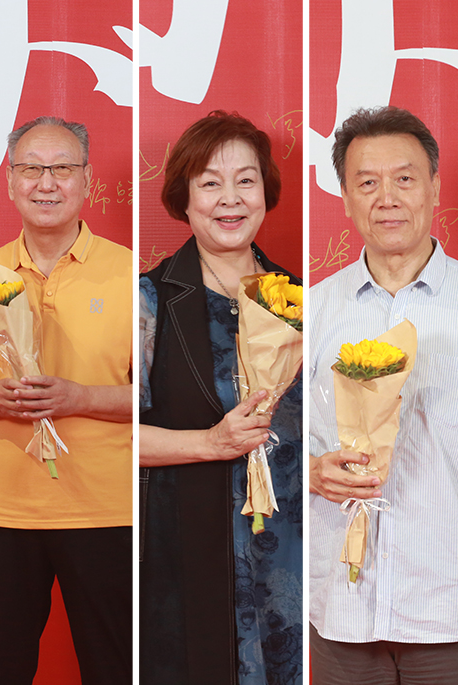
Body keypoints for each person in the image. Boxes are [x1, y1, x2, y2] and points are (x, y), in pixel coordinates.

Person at [307, 106, 458, 684]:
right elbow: (273, 434)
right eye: (367, 183)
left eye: (405, 179)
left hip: (446, 601)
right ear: (345, 199)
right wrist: (311, 471)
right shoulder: (311, 309)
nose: (387, 199)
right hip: (340, 599)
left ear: (435, 187)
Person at [139, 111, 302, 685]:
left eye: (246, 181)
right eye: (210, 182)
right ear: (184, 199)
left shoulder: (299, 298)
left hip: (289, 550)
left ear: (265, 192)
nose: (230, 199)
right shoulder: (151, 300)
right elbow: (115, 437)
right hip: (188, 545)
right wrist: (210, 443)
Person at [0, 116, 133, 684]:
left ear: (87, 179)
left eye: (61, 168)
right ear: (9, 181)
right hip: (0, 512)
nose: (46, 183)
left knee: (114, 668)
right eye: (31, 169)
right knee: (1, 669)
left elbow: (157, 401)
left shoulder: (132, 275)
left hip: (107, 509)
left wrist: (78, 396)